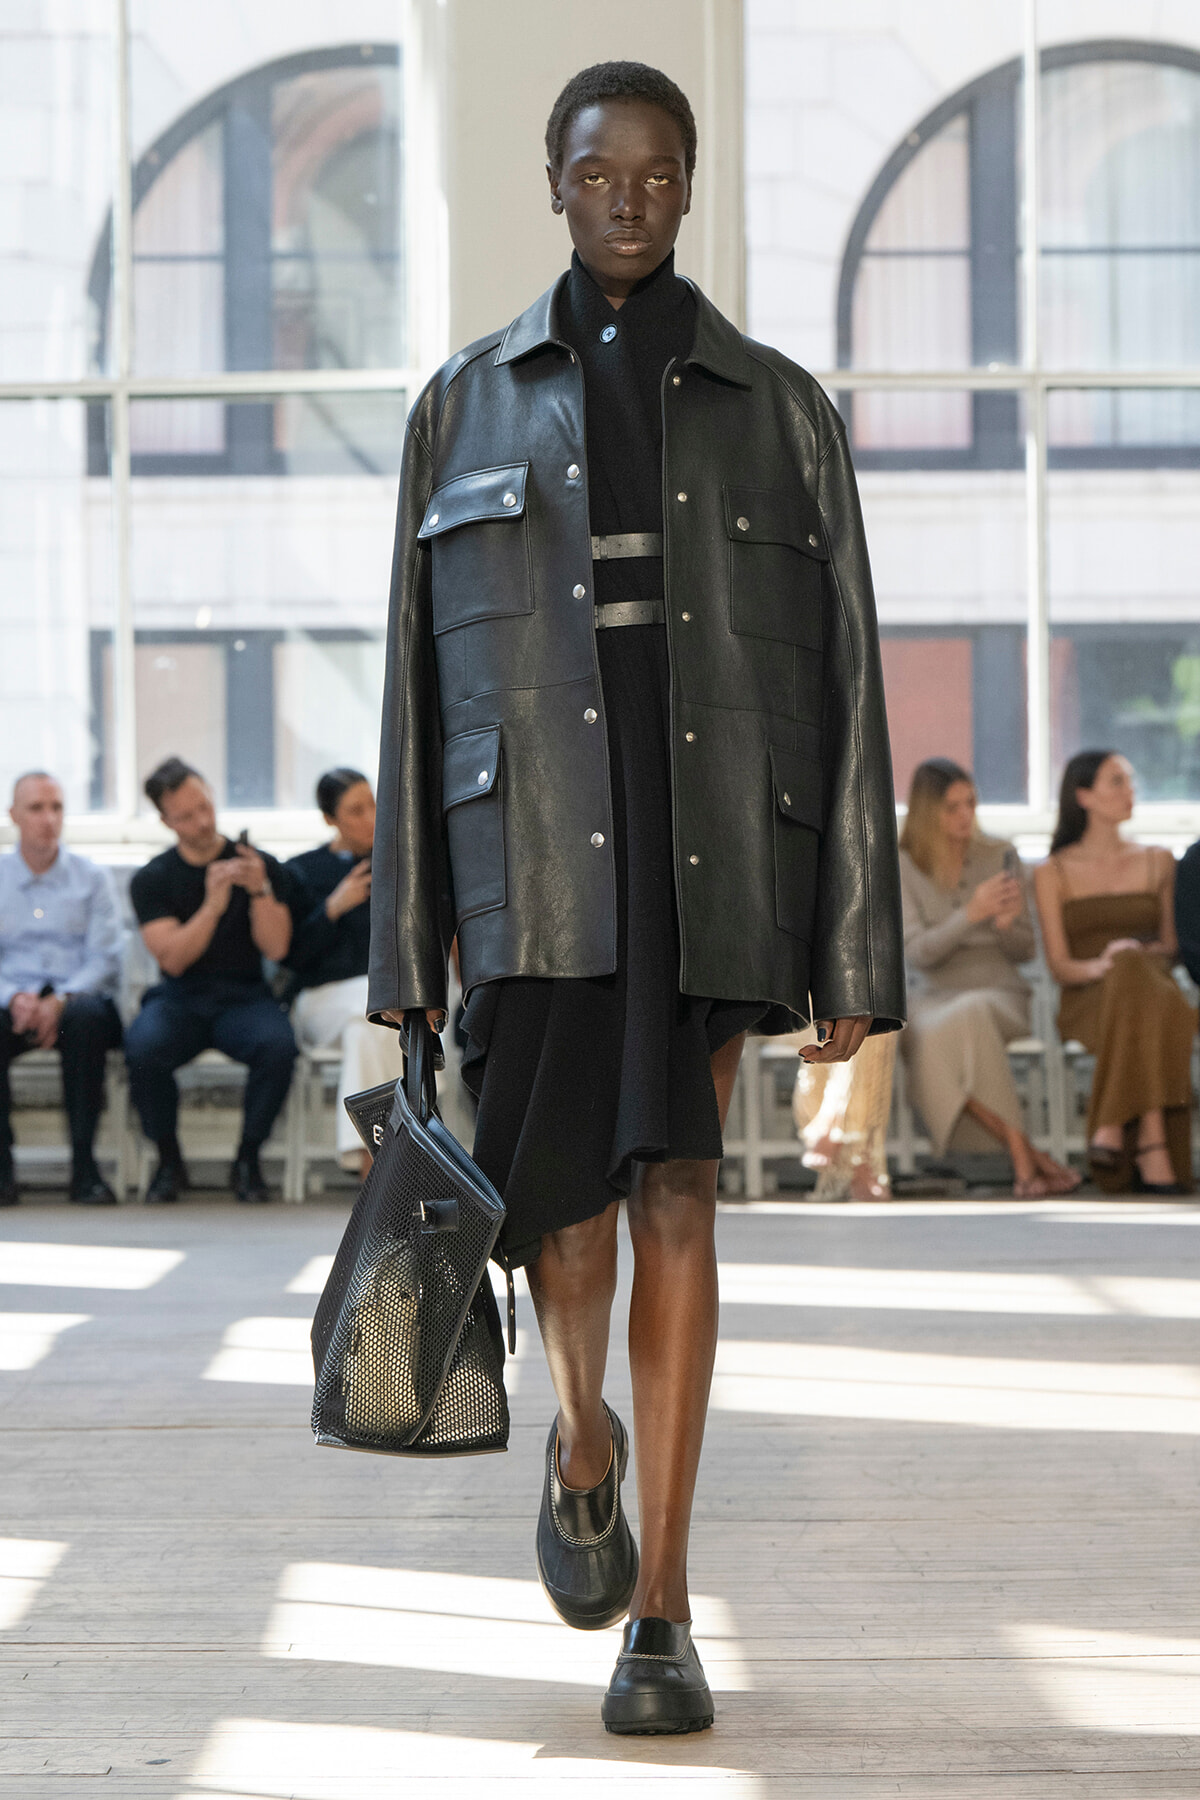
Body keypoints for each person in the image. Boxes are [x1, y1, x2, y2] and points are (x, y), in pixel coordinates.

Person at [367, 62, 904, 1735]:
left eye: (660, 176)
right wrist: (403, 951)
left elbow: (851, 681)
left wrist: (855, 947)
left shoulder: (780, 405)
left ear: (687, 191)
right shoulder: (460, 406)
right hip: (525, 855)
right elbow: (408, 686)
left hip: (713, 848)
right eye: (602, 172)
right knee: (570, 1215)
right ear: (555, 182)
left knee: (679, 1185)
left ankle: (661, 1609)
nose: (630, 199)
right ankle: (582, 1437)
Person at [900, 758, 1079, 1197]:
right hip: (935, 993)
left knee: (970, 1013)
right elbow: (918, 954)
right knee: (923, 1031)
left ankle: (1025, 1161)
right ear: (928, 813)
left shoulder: (1001, 855)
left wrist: (1006, 926)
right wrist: (971, 914)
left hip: (1001, 991)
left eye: (971, 803)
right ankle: (1027, 1154)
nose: (966, 816)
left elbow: (1026, 951)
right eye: (952, 808)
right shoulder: (903, 864)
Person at [124, 758, 298, 1204]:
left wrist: (259, 890)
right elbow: (174, 960)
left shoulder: (258, 865)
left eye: (205, 806)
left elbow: (277, 949)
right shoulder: (152, 879)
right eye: (186, 815)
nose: (202, 822)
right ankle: (168, 1160)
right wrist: (212, 905)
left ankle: (248, 1158)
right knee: (144, 1047)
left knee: (278, 1046)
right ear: (166, 821)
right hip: (180, 996)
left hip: (243, 995)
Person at [1034, 749, 1195, 1195]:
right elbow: (1061, 966)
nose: (1130, 791)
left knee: (1136, 973)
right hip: (1088, 997)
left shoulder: (1158, 860)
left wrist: (1128, 957)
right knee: (1138, 988)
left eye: (1131, 781)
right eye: (1116, 781)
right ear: (1083, 795)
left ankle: (1112, 1124)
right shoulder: (1053, 871)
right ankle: (1151, 1135)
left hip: (1153, 986)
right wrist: (1104, 964)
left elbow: (1170, 947)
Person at [0, 772, 123, 1205]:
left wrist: (60, 1001)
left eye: (56, 808)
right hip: (13, 1000)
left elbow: (105, 957)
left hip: (78, 1000)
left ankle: (85, 1169)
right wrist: (14, 998)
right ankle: (2, 1171)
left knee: (87, 1020)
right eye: (36, 808)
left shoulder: (91, 878)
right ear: (13, 815)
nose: (48, 819)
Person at [285, 768, 403, 1181]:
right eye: (356, 810)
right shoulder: (301, 871)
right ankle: (400, 1160)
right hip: (322, 1000)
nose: (372, 816)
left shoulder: (399, 863)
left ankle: (373, 1166)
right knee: (378, 1014)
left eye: (373, 804)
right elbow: (291, 957)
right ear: (329, 819)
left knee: (368, 1024)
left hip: (380, 1005)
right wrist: (333, 907)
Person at [793, 1026, 897, 1201]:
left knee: (866, 1018)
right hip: (784, 1015)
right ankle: (859, 1160)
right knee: (865, 1020)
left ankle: (829, 1124)